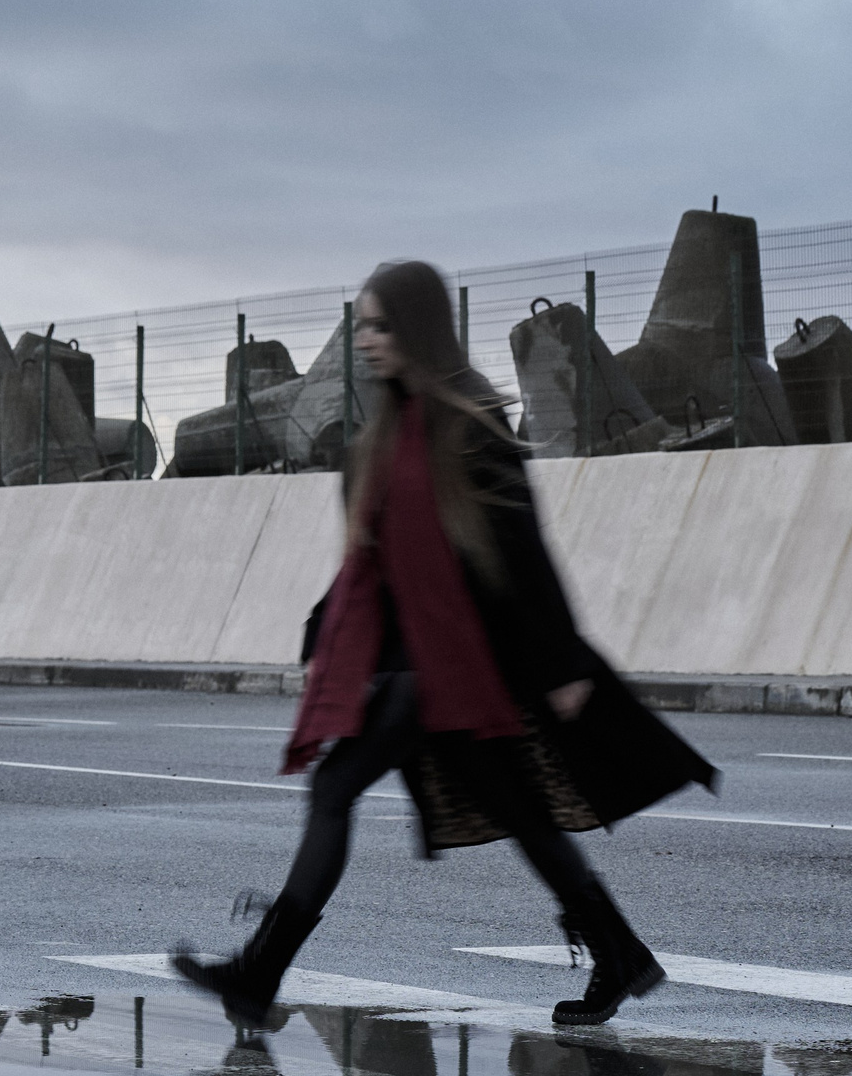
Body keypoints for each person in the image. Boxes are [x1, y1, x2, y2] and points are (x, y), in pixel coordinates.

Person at [172, 260, 715, 1027]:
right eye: (361, 324)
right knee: (518, 809)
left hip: (455, 664)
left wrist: (560, 661)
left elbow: (524, 546)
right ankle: (621, 952)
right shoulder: (383, 437)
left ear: (418, 330)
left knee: (334, 791)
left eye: (380, 325)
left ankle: (259, 974)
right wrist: (326, 637)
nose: (365, 340)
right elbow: (375, 560)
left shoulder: (469, 426)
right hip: (426, 666)